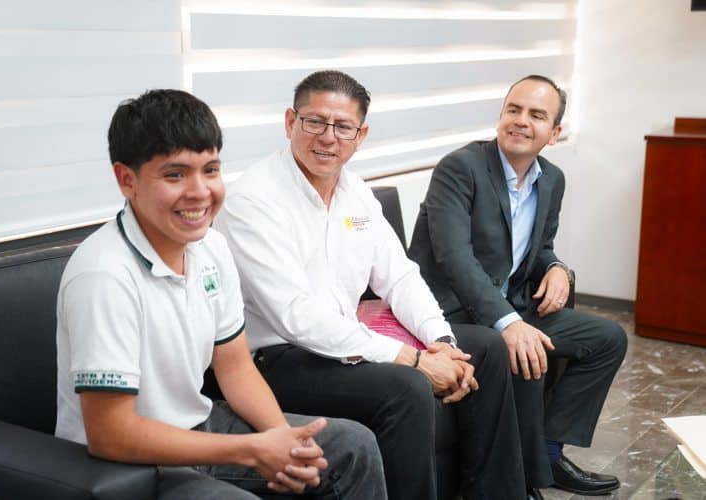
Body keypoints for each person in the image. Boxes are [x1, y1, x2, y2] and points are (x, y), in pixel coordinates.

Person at [54, 89, 387, 500]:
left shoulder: (211, 248)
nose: (199, 191)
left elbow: (236, 369)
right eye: (175, 175)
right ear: (127, 180)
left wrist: (283, 442)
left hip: (199, 429)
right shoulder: (104, 274)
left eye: (210, 170)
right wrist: (251, 451)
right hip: (125, 467)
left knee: (353, 447)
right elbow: (111, 433)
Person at [216, 70, 529, 500]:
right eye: (315, 122)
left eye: (343, 127)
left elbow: (399, 276)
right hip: (278, 358)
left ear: (360, 135)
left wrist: (441, 343)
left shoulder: (355, 192)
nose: (328, 137)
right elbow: (296, 316)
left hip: (345, 340)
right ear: (290, 122)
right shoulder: (253, 200)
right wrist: (412, 361)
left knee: (487, 348)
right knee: (407, 387)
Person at [408, 75, 628, 496]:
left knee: (607, 339)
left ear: (554, 132)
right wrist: (508, 323)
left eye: (536, 115)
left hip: (509, 306)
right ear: (501, 116)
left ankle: (548, 454)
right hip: (448, 313)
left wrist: (557, 267)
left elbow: (539, 247)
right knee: (523, 350)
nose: (521, 121)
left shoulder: (552, 179)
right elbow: (454, 258)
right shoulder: (461, 168)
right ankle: (523, 479)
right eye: (514, 109)